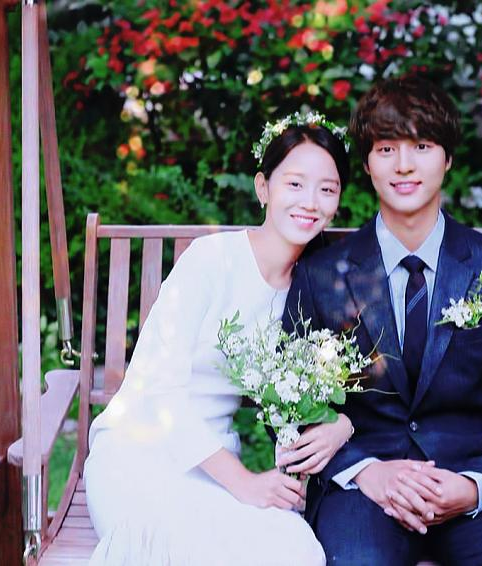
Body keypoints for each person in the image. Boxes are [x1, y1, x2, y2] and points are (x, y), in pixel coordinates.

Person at [280, 77, 482, 565]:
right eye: (386, 148)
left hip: (476, 488)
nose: (403, 165)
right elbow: (292, 399)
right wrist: (365, 471)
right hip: (365, 491)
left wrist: (475, 484)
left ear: (447, 159)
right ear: (367, 163)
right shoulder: (322, 274)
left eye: (422, 146)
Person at [84, 113, 354, 566]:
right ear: (263, 187)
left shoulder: (313, 289)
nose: (310, 202)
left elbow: (336, 390)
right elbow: (161, 390)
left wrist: (341, 425)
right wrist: (244, 483)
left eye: (326, 189)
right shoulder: (211, 261)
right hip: (139, 453)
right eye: (294, 184)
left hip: (213, 469)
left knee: (295, 549)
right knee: (178, 548)